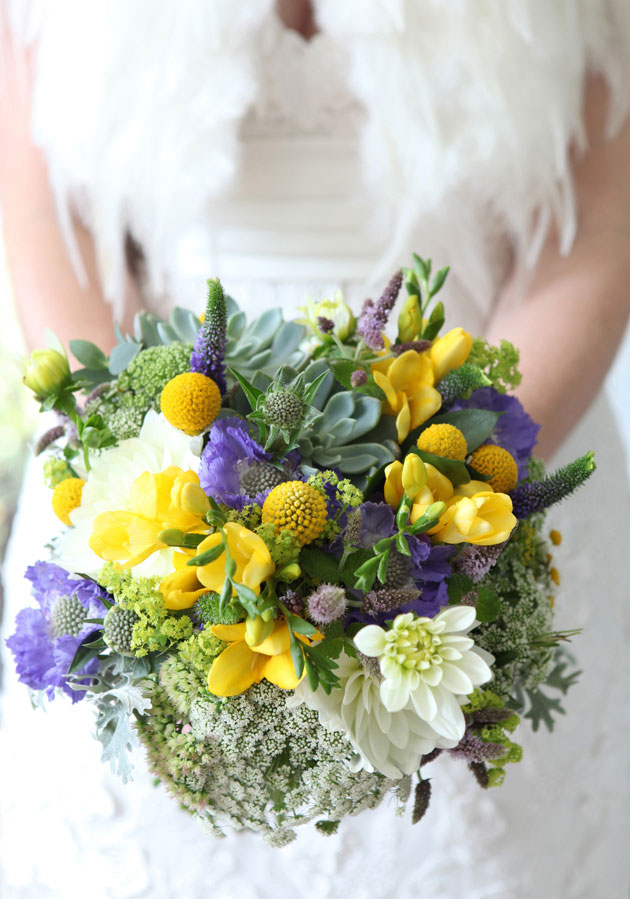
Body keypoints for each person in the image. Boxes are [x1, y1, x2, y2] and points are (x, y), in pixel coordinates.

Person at [1, 2, 629, 897]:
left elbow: (591, 241)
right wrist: (176, 537)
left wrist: (441, 527)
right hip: (158, 484)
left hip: (488, 462)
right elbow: (48, 237)